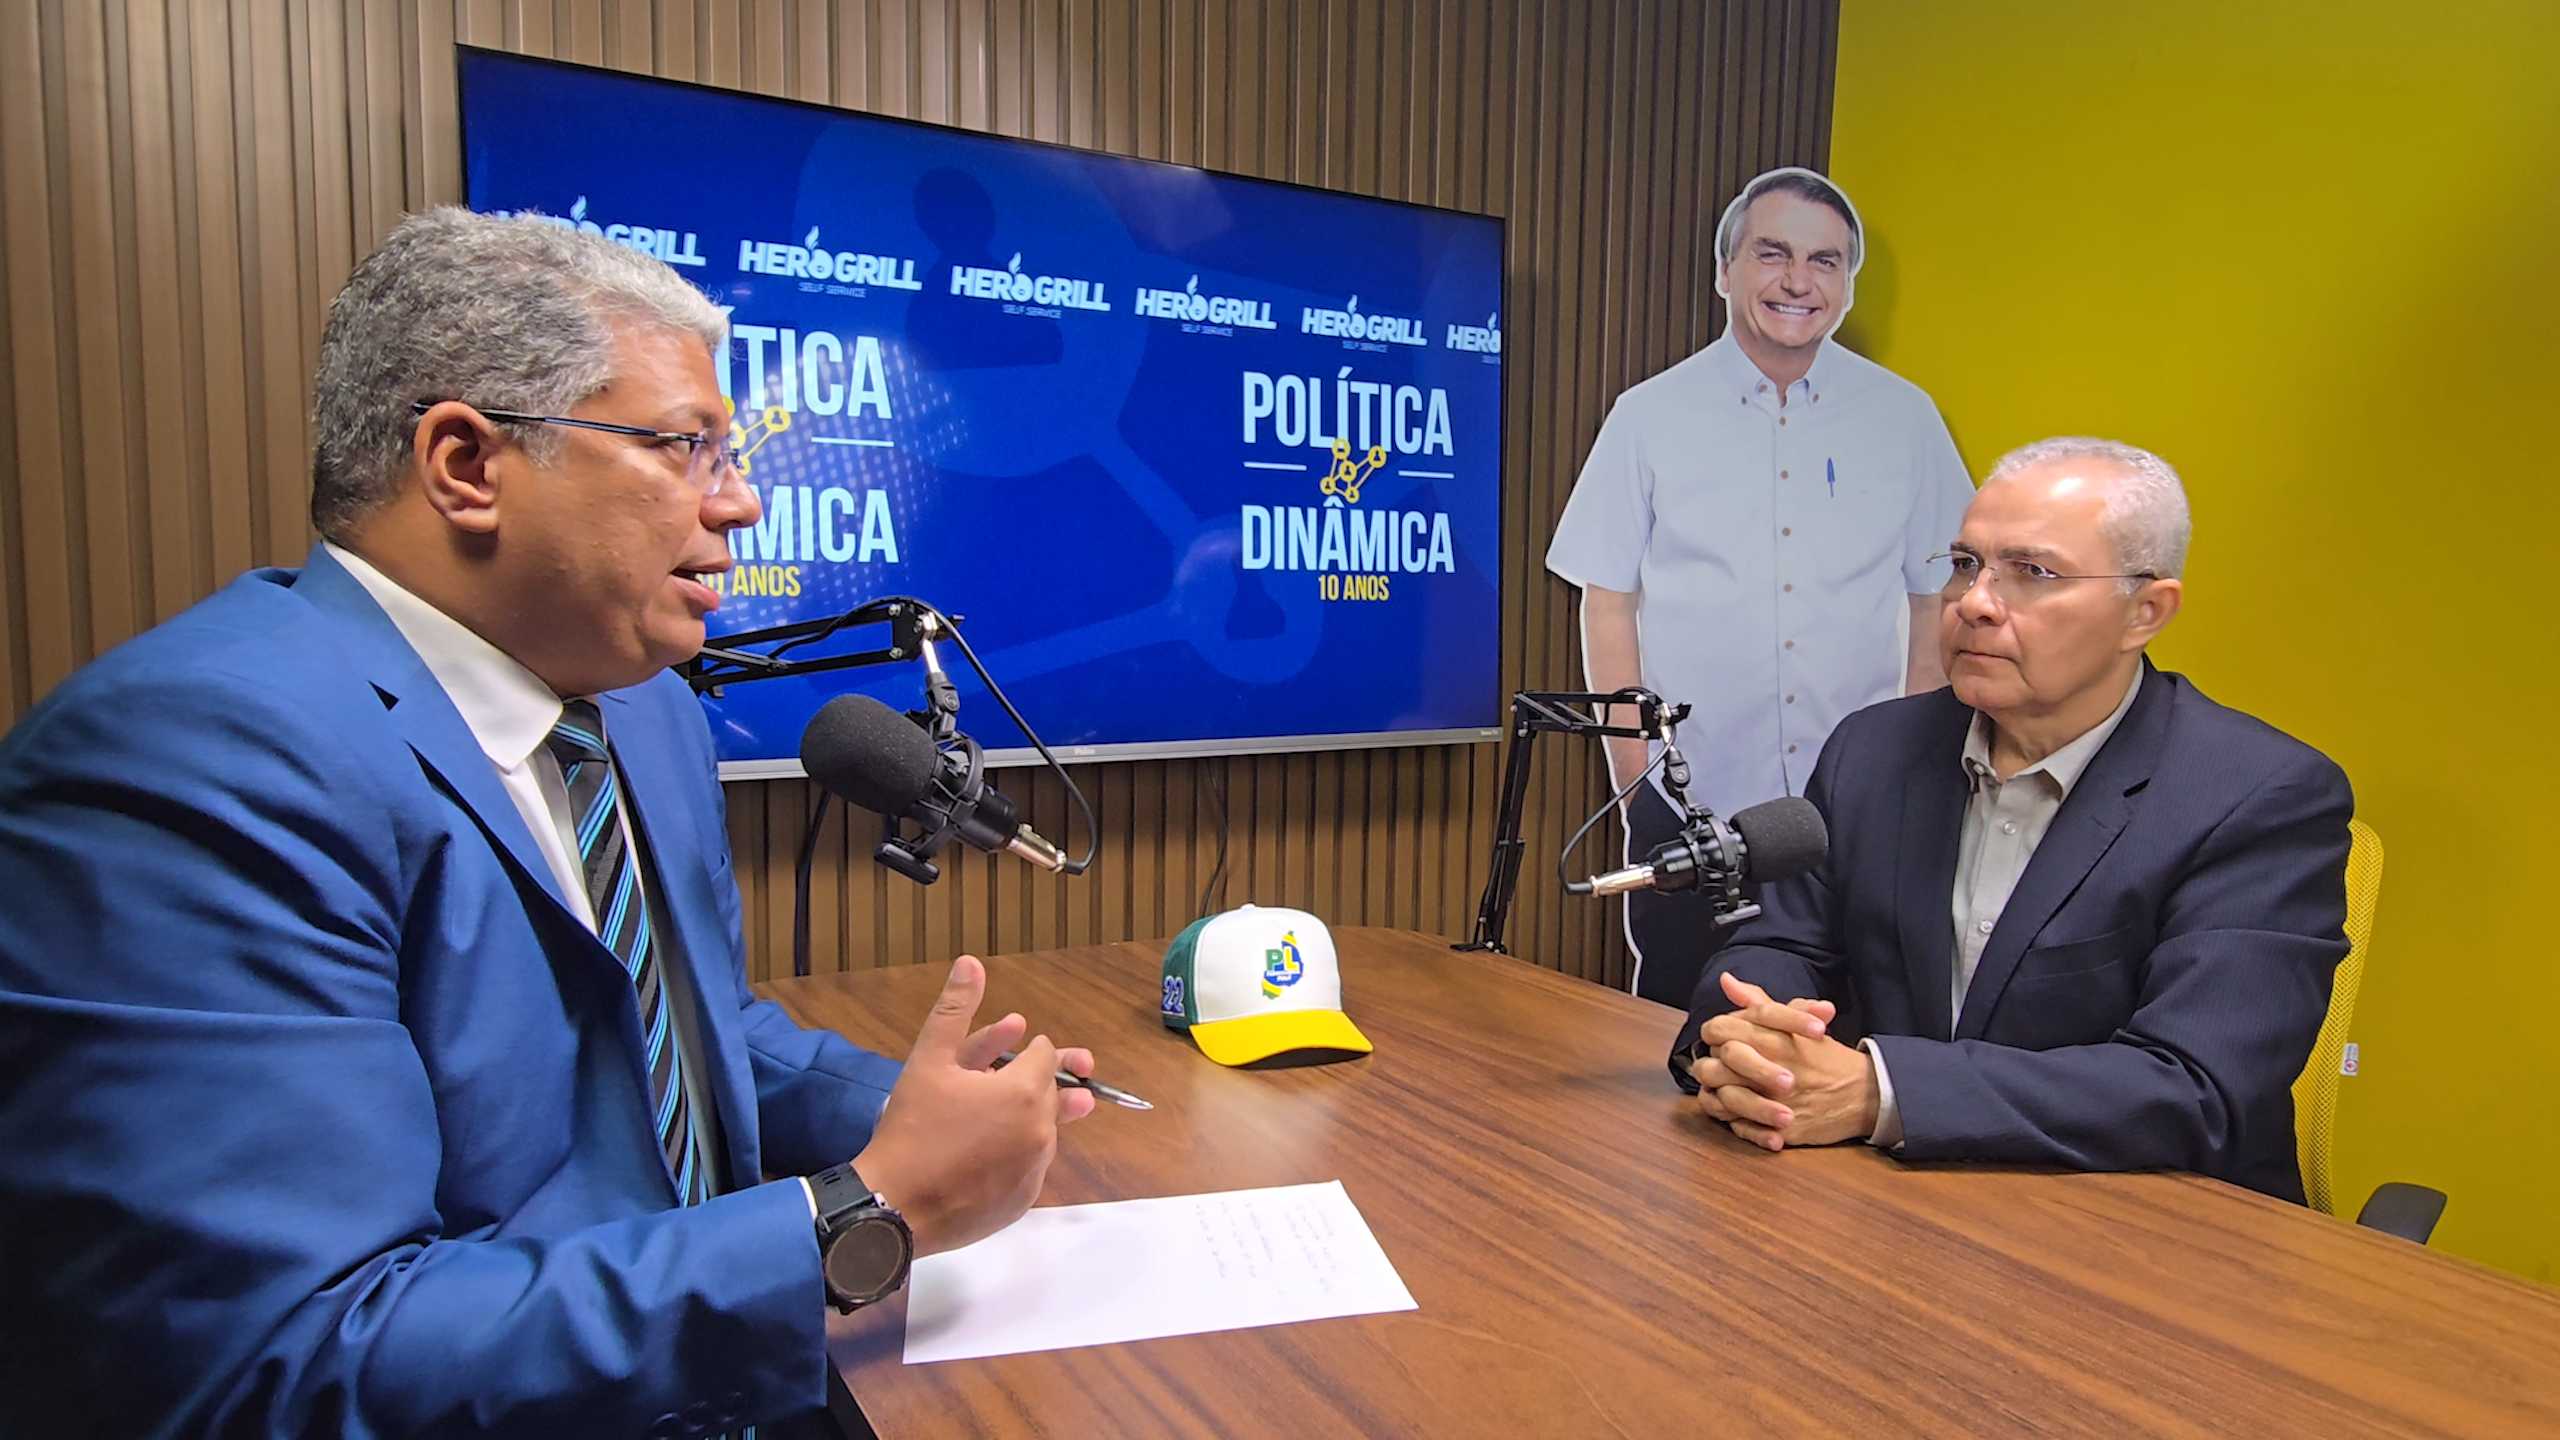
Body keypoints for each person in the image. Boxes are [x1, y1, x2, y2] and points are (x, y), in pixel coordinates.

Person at [0, 208, 1096, 1438]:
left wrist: (928, 1112)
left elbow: (689, 1030)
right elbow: (288, 1361)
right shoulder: (191, 760)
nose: (736, 507)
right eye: (687, 448)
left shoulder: (642, 715)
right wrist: (865, 1212)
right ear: (467, 465)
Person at [1675, 437, 2351, 1202]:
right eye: (1965, 565)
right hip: (1897, 1201)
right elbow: (1781, 943)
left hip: (2151, 1228)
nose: (1975, 602)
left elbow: (2197, 1086)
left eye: (2031, 573)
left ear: (2147, 611)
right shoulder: (1876, 748)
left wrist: (1880, 1092)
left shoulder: (2260, 793)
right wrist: (1751, 1047)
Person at [1546, 166, 1977, 1007]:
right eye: (1772, 253)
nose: (1797, 281)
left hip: (1856, 816)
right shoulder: (1649, 416)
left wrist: (1912, 764)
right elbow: (1609, 601)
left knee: (1852, 1028)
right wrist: (1636, 779)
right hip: (1695, 804)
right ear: (1725, 270)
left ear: (1847, 287)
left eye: (1826, 262)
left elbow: (1937, 598)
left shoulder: (1906, 418)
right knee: (1682, 1027)